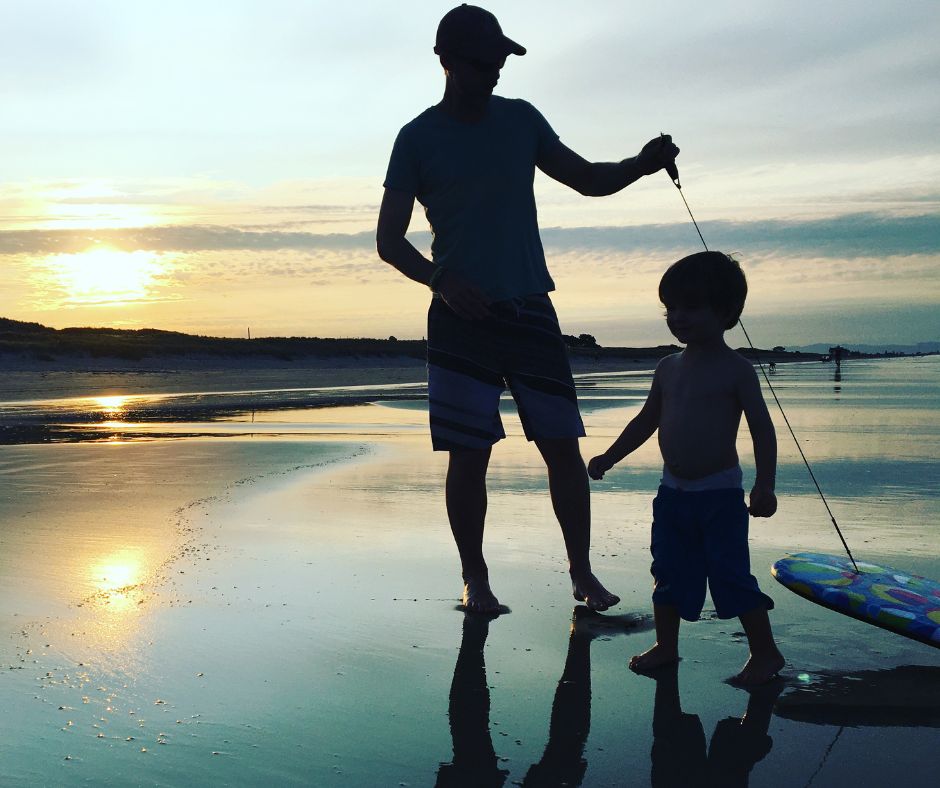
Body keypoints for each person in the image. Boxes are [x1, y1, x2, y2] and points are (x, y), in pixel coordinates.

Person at [376, 4, 680, 615]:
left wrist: (642, 165)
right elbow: (389, 240)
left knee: (562, 446)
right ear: (447, 61)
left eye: (500, 61)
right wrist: (441, 282)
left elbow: (588, 178)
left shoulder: (520, 120)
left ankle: (581, 573)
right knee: (470, 455)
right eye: (483, 62)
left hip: (531, 308)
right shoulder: (415, 138)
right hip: (459, 319)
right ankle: (476, 579)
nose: (494, 72)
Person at [587, 251, 785, 685]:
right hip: (673, 494)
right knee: (668, 571)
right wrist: (610, 456)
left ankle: (765, 653)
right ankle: (666, 646)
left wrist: (764, 486)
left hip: (719, 495)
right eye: (670, 308)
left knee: (731, 576)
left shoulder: (737, 370)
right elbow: (645, 420)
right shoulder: (667, 368)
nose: (678, 317)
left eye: (691, 307)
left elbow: (763, 431)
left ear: (727, 312)